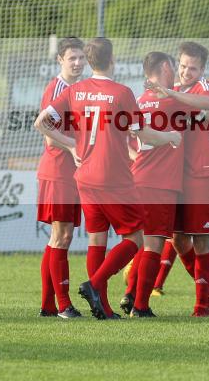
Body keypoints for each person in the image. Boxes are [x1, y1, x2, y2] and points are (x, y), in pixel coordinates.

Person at [35, 37, 180, 320]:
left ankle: (101, 306)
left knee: (96, 239)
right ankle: (94, 284)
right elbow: (143, 134)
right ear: (112, 60)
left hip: (84, 175)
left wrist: (72, 144)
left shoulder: (76, 90)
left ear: (89, 62)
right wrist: (170, 137)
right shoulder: (122, 92)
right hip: (113, 176)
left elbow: (41, 122)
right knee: (135, 238)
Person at [147, 41, 209, 316]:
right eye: (182, 66)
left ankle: (202, 304)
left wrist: (170, 93)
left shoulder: (204, 88)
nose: (186, 72)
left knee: (201, 239)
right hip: (178, 176)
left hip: (203, 174)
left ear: (202, 69)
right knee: (178, 239)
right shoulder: (174, 91)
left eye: (193, 68)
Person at [120, 52, 185, 318]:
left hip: (138, 178)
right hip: (159, 183)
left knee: (141, 243)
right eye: (175, 67)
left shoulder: (138, 101)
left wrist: (138, 157)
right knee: (154, 246)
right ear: (166, 66)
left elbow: (125, 137)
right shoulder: (170, 100)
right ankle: (141, 305)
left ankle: (130, 294)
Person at [36, 37, 86, 319]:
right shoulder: (57, 88)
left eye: (81, 58)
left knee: (59, 237)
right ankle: (64, 305)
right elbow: (47, 133)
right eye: (72, 59)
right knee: (63, 235)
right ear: (60, 61)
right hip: (57, 171)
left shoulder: (78, 90)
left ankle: (47, 305)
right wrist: (72, 144)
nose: (78, 63)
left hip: (71, 173)